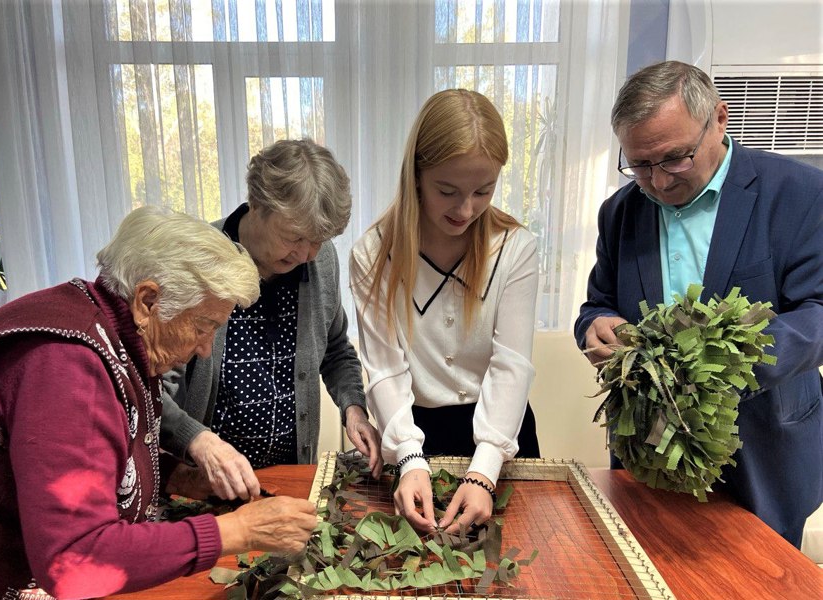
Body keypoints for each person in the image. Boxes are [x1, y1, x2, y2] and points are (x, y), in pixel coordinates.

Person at [0, 206, 318, 599]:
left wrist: (181, 478)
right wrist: (238, 531)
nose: (204, 348)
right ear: (148, 301)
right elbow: (74, 561)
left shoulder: (107, 326)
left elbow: (102, 453)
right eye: (202, 327)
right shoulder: (67, 365)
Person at [575, 60, 823, 548]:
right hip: (650, 450)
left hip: (766, 449)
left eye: (674, 159)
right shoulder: (620, 212)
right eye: (640, 164)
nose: (659, 182)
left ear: (719, 119)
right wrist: (597, 323)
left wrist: (731, 355)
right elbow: (598, 302)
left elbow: (817, 311)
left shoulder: (800, 194)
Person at [350, 89, 540, 534]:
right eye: (447, 190)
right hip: (415, 431)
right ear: (416, 174)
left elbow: (510, 365)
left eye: (483, 191)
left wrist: (485, 470)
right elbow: (384, 368)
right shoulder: (373, 253)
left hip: (499, 434)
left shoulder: (515, 248)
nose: (465, 209)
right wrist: (409, 457)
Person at [161, 139, 382, 501]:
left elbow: (337, 349)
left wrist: (354, 409)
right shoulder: (196, 260)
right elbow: (154, 392)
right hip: (205, 484)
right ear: (258, 204)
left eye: (319, 239)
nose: (307, 253)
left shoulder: (318, 260)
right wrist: (196, 440)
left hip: (289, 481)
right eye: (295, 237)